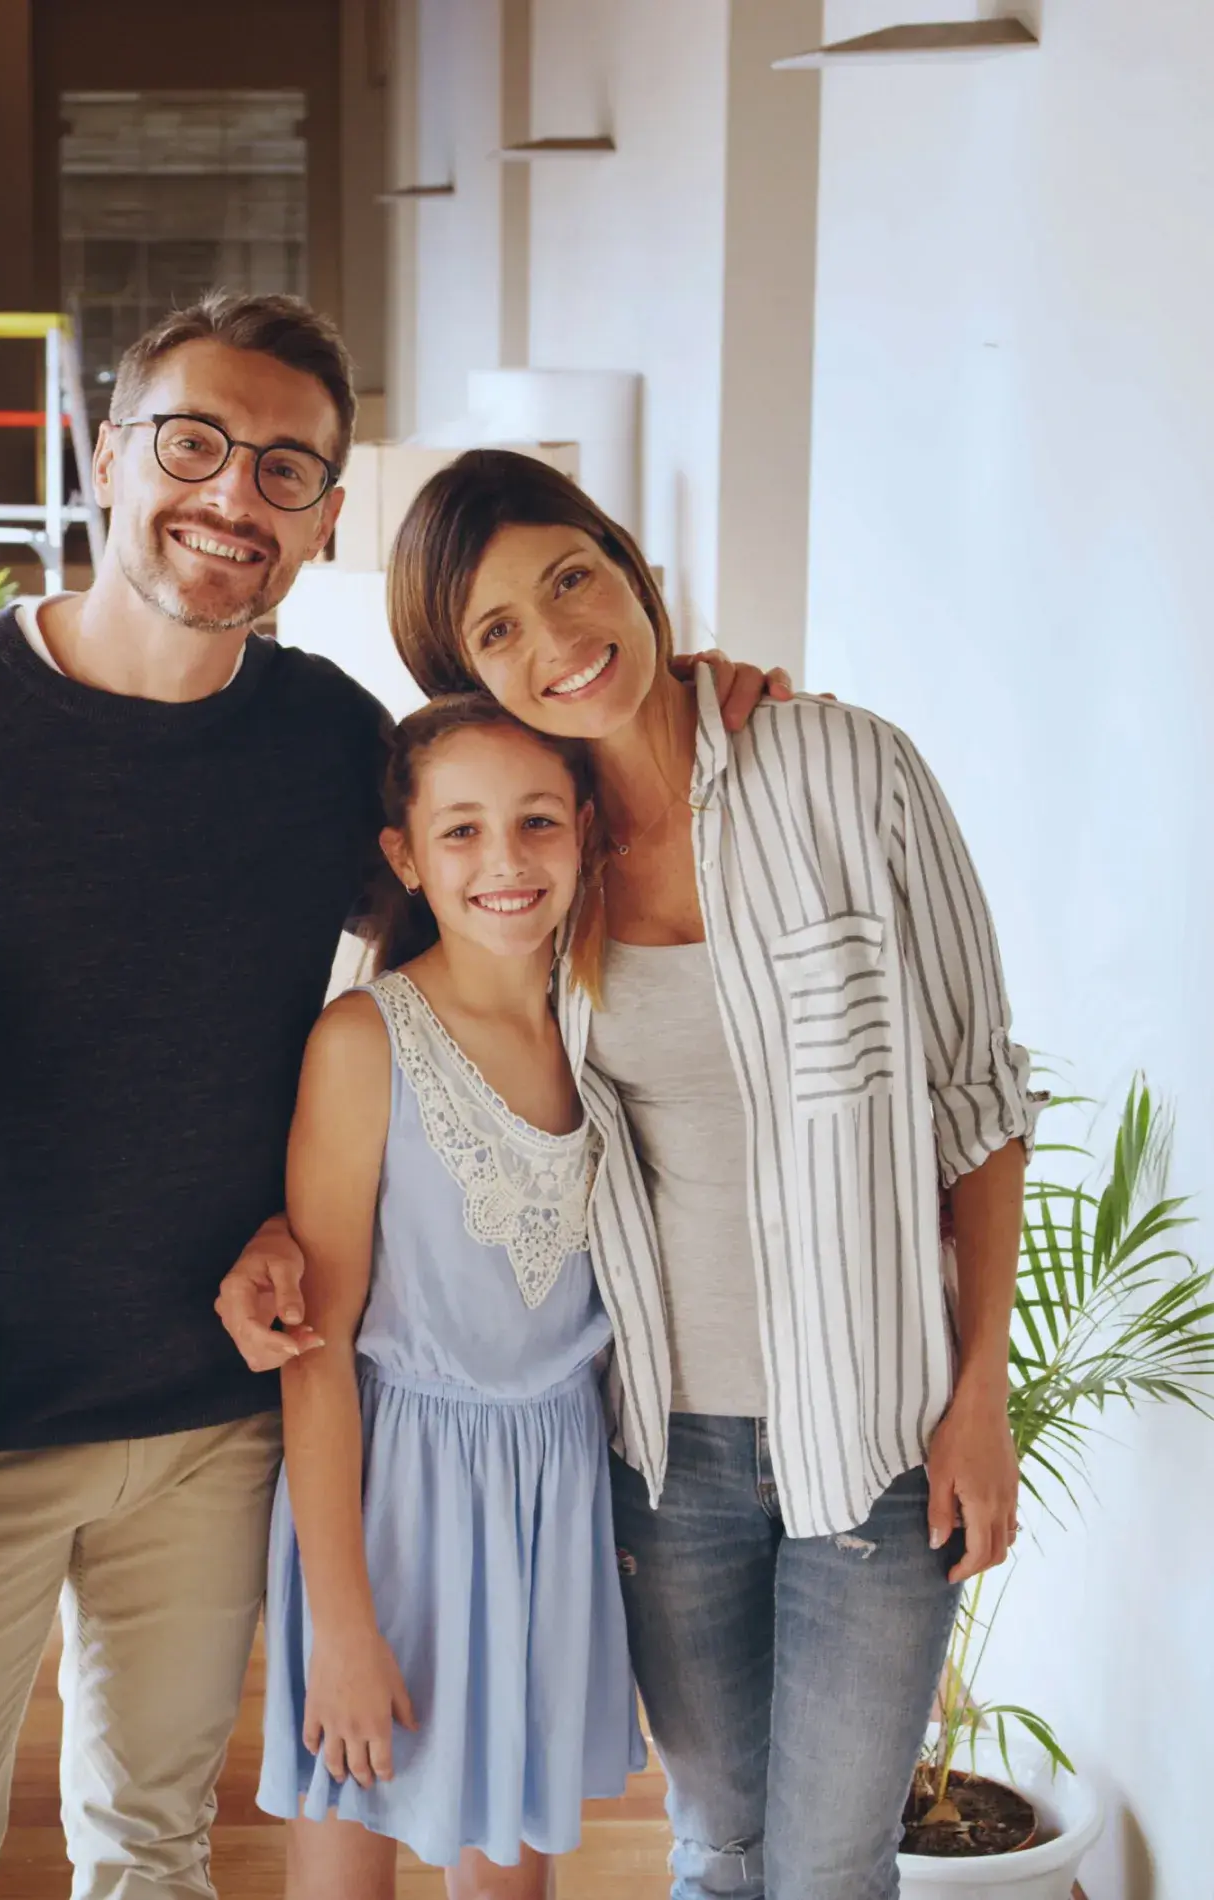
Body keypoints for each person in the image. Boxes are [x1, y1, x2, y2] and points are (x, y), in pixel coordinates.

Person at [0, 292, 785, 1900]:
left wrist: (671, 721)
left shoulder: (325, 746)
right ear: (105, 454)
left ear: (326, 520)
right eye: (196, 444)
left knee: (156, 1852)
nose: (234, 495)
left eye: (286, 469)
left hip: (217, 1416)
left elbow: (494, 927)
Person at [382, 449, 1035, 1900]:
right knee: (715, 1850)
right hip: (659, 1452)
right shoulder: (532, 865)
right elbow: (409, 1056)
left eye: (572, 577)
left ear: (630, 565)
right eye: (499, 631)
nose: (560, 639)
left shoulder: (845, 768)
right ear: (470, 678)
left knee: (825, 1867)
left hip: (872, 1436)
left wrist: (978, 1394)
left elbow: (977, 1106)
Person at [257, 696, 646, 1900]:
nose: (505, 861)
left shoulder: (611, 1021)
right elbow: (317, 1349)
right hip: (388, 1498)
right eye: (463, 831)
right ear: (406, 856)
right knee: (350, 1835)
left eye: (536, 822)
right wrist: (342, 1622)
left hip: (554, 1491)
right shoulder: (365, 1041)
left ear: (584, 829)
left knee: (506, 1877)